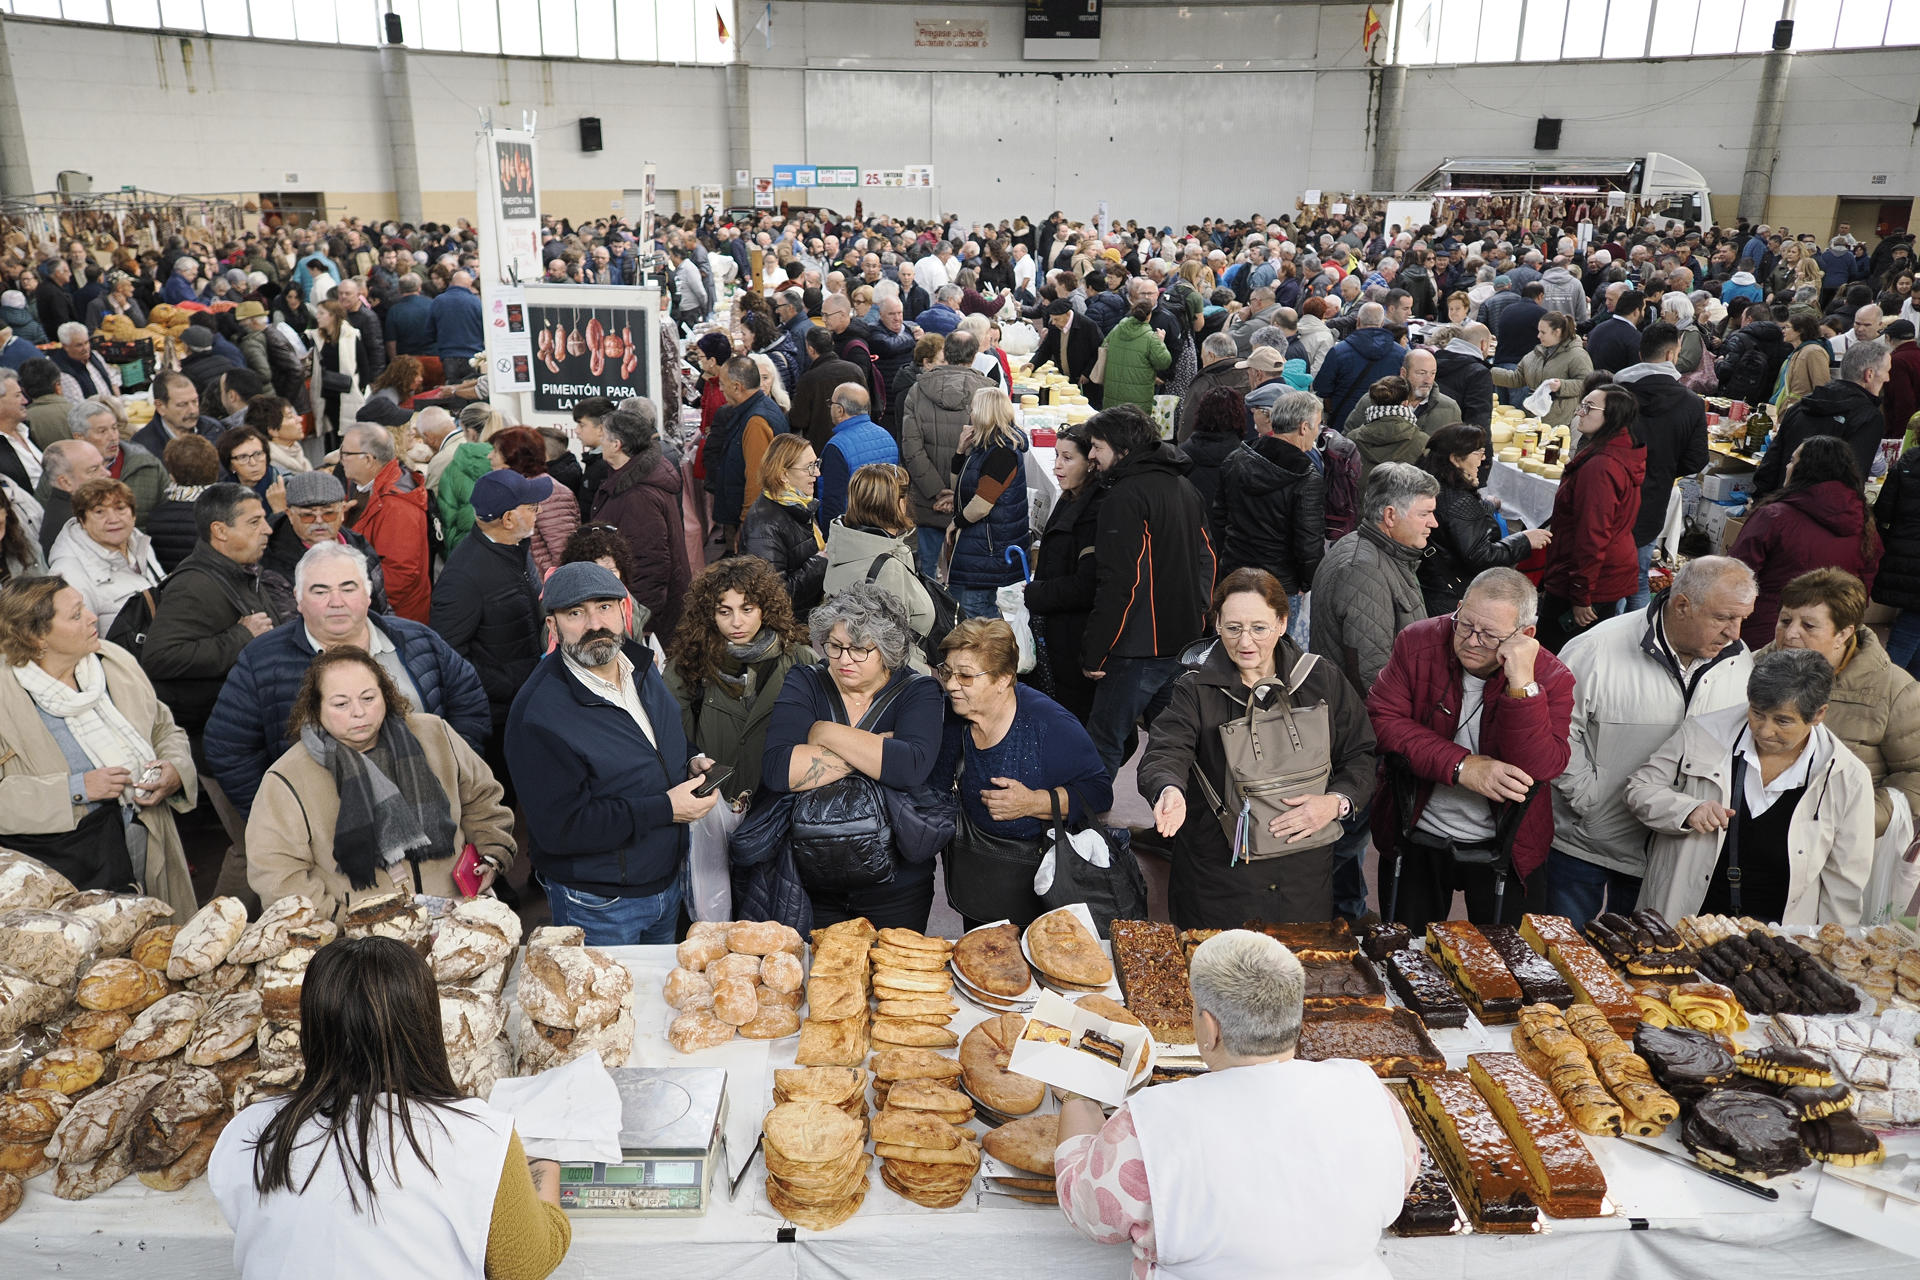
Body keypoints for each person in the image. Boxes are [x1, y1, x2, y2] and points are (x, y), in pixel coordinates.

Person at [1057, 927, 1415, 1279]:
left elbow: (1088, 1210)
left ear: (1210, 1029)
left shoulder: (1148, 1122)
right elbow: (1399, 1182)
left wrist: (1077, 1098)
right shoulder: (1370, 1094)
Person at [208, 937, 572, 1280]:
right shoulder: (481, 1136)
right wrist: (546, 1167)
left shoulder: (249, 1131)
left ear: (312, 1031)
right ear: (426, 1027)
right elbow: (525, 1264)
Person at [1139, 569, 1375, 927]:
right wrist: (1168, 788)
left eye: (1259, 628)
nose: (1245, 642)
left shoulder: (1322, 679)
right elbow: (1167, 749)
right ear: (1216, 623)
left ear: (1282, 623)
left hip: (1303, 883)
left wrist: (1335, 803)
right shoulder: (1195, 689)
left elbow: (1360, 754)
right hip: (1220, 883)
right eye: (1233, 628)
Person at [506, 563, 717, 945]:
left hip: (666, 881)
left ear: (623, 612)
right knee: (610, 1003)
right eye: (575, 613)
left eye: (604, 607)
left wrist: (689, 760)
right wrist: (666, 809)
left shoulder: (639, 666)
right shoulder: (537, 715)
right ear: (552, 628)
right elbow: (560, 829)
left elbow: (655, 738)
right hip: (599, 902)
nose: (594, 624)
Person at [207, 540, 490, 818]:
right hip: (325, 828)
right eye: (320, 591)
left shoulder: (418, 639)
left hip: (432, 807)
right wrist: (283, 816)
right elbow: (229, 748)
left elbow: (469, 702)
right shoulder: (261, 660)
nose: (336, 602)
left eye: (348, 587)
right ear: (298, 598)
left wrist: (452, 774)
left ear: (368, 594)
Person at [1550, 556, 1758, 925]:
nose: (1735, 633)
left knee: (1643, 969)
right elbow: (1555, 731)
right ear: (1682, 605)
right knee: (1560, 954)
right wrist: (1589, 798)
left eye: (1743, 619)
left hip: (1671, 849)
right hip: (1585, 844)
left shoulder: (1738, 660)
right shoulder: (1596, 648)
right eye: (1724, 618)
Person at [1367, 568, 1573, 933]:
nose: (1472, 641)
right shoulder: (1417, 642)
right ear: (1459, 608)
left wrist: (1522, 686)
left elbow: (1539, 767)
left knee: (1506, 963)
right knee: (1406, 957)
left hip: (1507, 847)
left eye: (1490, 635)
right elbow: (1383, 721)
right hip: (1415, 832)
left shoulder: (1553, 677)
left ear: (1524, 636)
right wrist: (1462, 766)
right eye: (1465, 625)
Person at [244, 645, 513, 919]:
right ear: (315, 707)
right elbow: (275, 873)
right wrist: (343, 920)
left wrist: (491, 857)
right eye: (341, 704)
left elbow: (483, 801)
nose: (358, 712)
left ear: (385, 694)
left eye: (368, 698)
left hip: (459, 912)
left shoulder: (435, 734)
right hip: (364, 941)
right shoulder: (287, 778)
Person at [1627, 648, 1872, 926]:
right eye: (1757, 713)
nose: (1765, 730)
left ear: (1818, 715)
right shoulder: (1704, 732)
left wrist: (1827, 951)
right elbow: (1640, 788)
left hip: (1778, 941)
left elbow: (1844, 883)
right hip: (1685, 922)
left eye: (1783, 720)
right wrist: (1687, 810)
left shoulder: (1848, 778)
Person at [0, 576, 198, 915]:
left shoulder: (114, 662)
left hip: (148, 840)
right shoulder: (7, 699)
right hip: (70, 870)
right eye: (76, 615)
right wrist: (75, 789)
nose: (93, 617)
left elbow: (164, 729)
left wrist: (175, 769)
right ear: (36, 637)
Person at [757, 582, 945, 930]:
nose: (844, 659)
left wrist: (824, 733)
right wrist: (875, 751)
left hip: (897, 885)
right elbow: (778, 769)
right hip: (814, 880)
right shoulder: (806, 680)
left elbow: (909, 769)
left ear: (887, 650)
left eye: (859, 649)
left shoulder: (919, 691)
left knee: (892, 976)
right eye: (835, 646)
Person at [933, 618, 1113, 929]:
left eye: (965, 676)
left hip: (1041, 888)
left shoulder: (1048, 723)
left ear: (1003, 679)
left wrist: (1033, 803)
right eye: (947, 672)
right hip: (977, 876)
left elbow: (1099, 792)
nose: (950, 684)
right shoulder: (953, 715)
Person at [1079, 404, 1215, 779]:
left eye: (1097, 446)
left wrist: (1095, 651)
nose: (1091, 455)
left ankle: (1089, 831)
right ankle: (1180, 827)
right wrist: (1199, 616)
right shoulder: (1185, 487)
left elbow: (1120, 583)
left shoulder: (1124, 497)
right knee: (1175, 744)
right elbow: (1208, 561)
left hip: (1134, 649)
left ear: (1121, 448)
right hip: (1183, 644)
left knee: (1103, 742)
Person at [1765, 568, 1920, 843]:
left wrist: (1861, 819)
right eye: (1785, 620)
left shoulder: (1896, 691)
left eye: (1808, 626)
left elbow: (1915, 774)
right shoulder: (1748, 667)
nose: (1790, 634)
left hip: (1835, 846)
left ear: (1844, 633)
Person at [664, 555, 816, 816]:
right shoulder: (688, 663)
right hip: (712, 808)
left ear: (765, 608)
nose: (737, 622)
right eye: (725, 611)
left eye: (747, 609)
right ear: (709, 614)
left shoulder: (800, 658)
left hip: (778, 809)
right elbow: (674, 741)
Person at [142, 481, 282, 738]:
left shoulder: (243, 570)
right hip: (211, 733)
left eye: (263, 519)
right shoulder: (192, 585)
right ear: (220, 531)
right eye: (254, 522)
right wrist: (241, 637)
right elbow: (159, 657)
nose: (268, 529)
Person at [1728, 432, 1879, 649]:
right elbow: (1861, 593)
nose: (1788, 467)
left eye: (1792, 461)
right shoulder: (1865, 525)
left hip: (1765, 635)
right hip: (1825, 640)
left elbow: (1736, 574)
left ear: (1805, 469)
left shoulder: (1774, 517)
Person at [1537, 384, 1645, 652]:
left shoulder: (1601, 466)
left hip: (1592, 579)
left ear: (1612, 417)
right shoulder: (1615, 451)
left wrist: (1581, 594)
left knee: (1556, 654)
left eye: (1588, 407)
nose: (1579, 412)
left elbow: (1592, 535)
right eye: (1581, 405)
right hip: (1601, 573)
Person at [1214, 384, 1325, 627]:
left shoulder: (1236, 459)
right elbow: (1308, 543)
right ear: (1303, 427)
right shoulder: (1306, 477)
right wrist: (1308, 582)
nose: (1317, 432)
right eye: (1317, 426)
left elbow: (1219, 520)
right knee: (1273, 653)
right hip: (1279, 584)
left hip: (1233, 572)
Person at [1617, 322, 1710, 612]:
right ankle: (1634, 644)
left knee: (1611, 579)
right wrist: (1665, 467)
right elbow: (1697, 460)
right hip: (1653, 496)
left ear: (1641, 352)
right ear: (1672, 355)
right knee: (1638, 577)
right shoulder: (1691, 403)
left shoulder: (1617, 391)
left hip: (1613, 493)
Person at [1416, 424, 1549, 616]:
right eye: (1478, 452)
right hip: (1450, 597)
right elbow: (1481, 557)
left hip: (1430, 586)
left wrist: (1486, 505)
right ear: (1455, 459)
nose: (1484, 458)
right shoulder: (1460, 500)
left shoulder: (1432, 487)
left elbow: (1455, 520)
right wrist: (1524, 540)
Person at [590, 400, 692, 642]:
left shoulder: (637, 496)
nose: (599, 441)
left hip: (645, 617)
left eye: (603, 436)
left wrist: (640, 624)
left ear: (617, 445)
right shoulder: (630, 478)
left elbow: (650, 564)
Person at [821, 462, 939, 669]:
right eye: (904, 495)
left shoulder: (844, 546)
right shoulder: (886, 568)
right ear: (896, 504)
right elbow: (892, 652)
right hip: (905, 682)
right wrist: (929, 680)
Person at [1025, 424, 1103, 720]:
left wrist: (1037, 593)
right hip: (1057, 630)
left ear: (1091, 461)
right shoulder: (1071, 497)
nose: (1057, 465)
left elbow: (1086, 584)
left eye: (1068, 458)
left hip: (1074, 639)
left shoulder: (1095, 511)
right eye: (1056, 455)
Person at [901, 329, 992, 577]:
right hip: (970, 501)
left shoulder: (918, 390)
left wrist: (936, 490)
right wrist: (958, 492)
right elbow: (990, 451)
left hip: (928, 499)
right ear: (974, 356)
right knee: (964, 575)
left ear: (946, 352)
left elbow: (911, 448)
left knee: (926, 572)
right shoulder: (988, 394)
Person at [1753, 339, 1892, 499]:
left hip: (1782, 505)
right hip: (1821, 513)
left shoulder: (1803, 404)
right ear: (1869, 374)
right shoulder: (1868, 417)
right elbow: (1854, 477)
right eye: (1887, 371)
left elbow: (1771, 463)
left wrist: (1761, 503)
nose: (1888, 379)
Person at [943, 386, 1030, 620]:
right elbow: (959, 489)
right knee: (970, 607)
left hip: (989, 547)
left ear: (984, 413)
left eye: (972, 409)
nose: (970, 414)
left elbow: (981, 504)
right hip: (981, 543)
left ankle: (999, 654)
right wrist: (960, 451)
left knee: (977, 610)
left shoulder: (1002, 453)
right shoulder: (987, 446)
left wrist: (956, 523)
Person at [45, 478, 163, 638]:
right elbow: (75, 642)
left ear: (133, 515)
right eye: (99, 512)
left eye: (120, 508)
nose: (113, 519)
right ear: (82, 521)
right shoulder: (68, 573)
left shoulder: (141, 545)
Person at [340, 422, 433, 623]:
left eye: (346, 453)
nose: (341, 459)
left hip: (395, 620)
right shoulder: (364, 486)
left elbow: (399, 577)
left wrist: (351, 599)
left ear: (368, 459)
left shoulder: (396, 506)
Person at [706, 356, 790, 553]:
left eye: (723, 384)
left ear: (737, 387)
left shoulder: (756, 421)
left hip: (756, 523)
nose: (721, 389)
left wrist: (745, 524)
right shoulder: (756, 410)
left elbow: (756, 480)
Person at [741, 432, 828, 613]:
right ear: (783, 475)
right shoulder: (764, 527)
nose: (817, 473)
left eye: (817, 464)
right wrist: (820, 563)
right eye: (809, 467)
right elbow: (774, 595)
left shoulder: (797, 504)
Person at [1312, 302, 1405, 432]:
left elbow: (1322, 388)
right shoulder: (1401, 353)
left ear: (1358, 321)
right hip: (1385, 423)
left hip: (1343, 421)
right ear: (1382, 322)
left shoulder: (1339, 351)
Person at [1490, 311, 1592, 427]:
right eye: (1538, 331)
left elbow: (1587, 383)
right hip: (1534, 418)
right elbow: (1516, 378)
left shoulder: (1577, 355)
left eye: (1543, 332)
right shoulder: (1536, 354)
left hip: (1561, 422)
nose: (1538, 336)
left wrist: (1562, 386)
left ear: (1557, 332)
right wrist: (1487, 372)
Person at [817, 382, 897, 527]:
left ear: (840, 410)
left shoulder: (836, 446)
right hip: (884, 528)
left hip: (852, 532)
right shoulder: (887, 436)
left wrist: (830, 536)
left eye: (831, 403)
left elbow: (833, 500)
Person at [1032, 298, 1101, 405]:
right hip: (1065, 380)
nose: (1053, 322)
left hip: (1085, 381)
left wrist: (1087, 373)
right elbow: (1045, 350)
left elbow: (1098, 353)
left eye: (1057, 319)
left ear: (1068, 314)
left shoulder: (1088, 326)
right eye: (1052, 319)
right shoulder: (1054, 327)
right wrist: (1033, 364)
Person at [1774, 309, 1832, 411]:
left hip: (1800, 411)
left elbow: (1821, 386)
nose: (1783, 331)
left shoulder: (1814, 351)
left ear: (1800, 331)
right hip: (1789, 409)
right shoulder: (1798, 351)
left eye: (1787, 327)